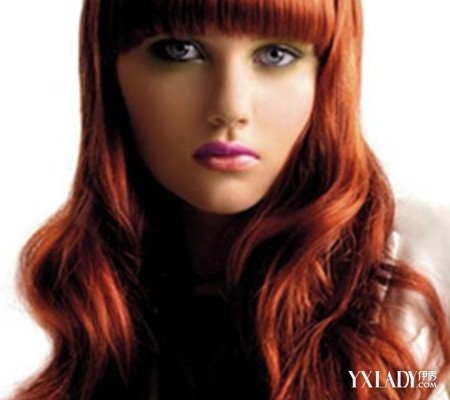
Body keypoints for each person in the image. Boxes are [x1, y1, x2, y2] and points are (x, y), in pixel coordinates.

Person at [14, 0, 450, 399]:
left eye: (276, 54)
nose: (230, 107)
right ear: (109, 70)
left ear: (328, 71)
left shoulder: (426, 264)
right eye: (180, 50)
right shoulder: (83, 298)